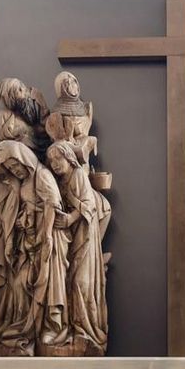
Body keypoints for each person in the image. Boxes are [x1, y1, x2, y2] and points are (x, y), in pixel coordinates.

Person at [0, 140, 68, 354]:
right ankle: (23, 327)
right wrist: (23, 220)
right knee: (20, 283)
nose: (15, 170)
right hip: (30, 239)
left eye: (16, 165)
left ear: (25, 159)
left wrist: (46, 235)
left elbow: (52, 205)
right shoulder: (23, 180)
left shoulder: (42, 175)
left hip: (50, 237)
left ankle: (50, 326)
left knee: (45, 281)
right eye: (11, 168)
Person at [47, 140, 110, 353]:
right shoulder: (59, 181)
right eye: (52, 161)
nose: (55, 164)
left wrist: (70, 219)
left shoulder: (78, 175)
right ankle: (73, 329)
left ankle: (87, 331)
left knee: (81, 282)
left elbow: (90, 204)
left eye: (59, 158)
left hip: (85, 234)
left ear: (69, 158)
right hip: (70, 238)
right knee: (69, 282)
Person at [0, 77, 51, 160]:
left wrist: (31, 134)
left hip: (39, 143)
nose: (23, 91)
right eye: (17, 91)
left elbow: (45, 124)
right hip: (17, 149)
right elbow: (1, 140)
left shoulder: (34, 99)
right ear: (10, 98)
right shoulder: (5, 115)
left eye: (21, 87)